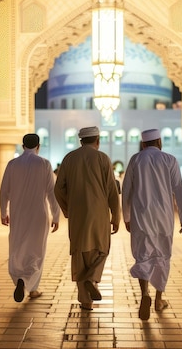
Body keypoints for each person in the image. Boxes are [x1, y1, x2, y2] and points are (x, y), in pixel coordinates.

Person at [121, 129, 182, 320]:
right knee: (163, 255)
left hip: (141, 216)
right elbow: (178, 190)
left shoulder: (136, 160)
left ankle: (144, 294)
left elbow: (126, 190)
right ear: (159, 141)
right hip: (164, 217)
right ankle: (159, 299)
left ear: (143, 144)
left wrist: (126, 216)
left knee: (143, 255)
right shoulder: (169, 159)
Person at [54, 126, 121, 310]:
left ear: (81, 140)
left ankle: (85, 301)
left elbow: (58, 189)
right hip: (99, 213)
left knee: (80, 255)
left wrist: (68, 210)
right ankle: (92, 278)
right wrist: (116, 215)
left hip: (77, 215)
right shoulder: (102, 158)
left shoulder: (69, 158)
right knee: (101, 250)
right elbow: (111, 190)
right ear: (97, 140)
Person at [0, 133, 61, 302]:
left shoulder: (12, 164)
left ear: (23, 146)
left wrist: (4, 213)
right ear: (38, 146)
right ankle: (30, 286)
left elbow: (4, 191)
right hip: (38, 216)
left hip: (18, 215)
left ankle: (20, 279)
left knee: (17, 249)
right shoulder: (44, 164)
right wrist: (56, 215)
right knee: (36, 252)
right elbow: (51, 192)